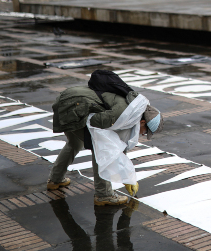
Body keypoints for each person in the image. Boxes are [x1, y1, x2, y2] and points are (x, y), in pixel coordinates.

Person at [47, 70, 163, 206]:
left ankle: (55, 180)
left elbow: (118, 144)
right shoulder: (123, 113)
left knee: (75, 143)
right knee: (100, 149)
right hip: (73, 106)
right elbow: (97, 123)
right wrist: (126, 175)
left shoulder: (134, 110)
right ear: (142, 122)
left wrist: (127, 177)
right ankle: (104, 195)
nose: (142, 134)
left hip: (70, 101)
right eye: (144, 132)